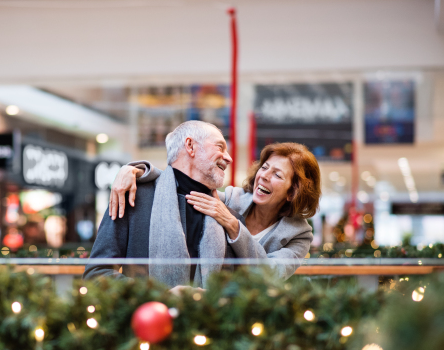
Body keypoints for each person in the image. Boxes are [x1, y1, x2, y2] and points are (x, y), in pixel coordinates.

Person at [110, 142, 322, 279]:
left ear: (292, 192)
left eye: (277, 175)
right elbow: (185, 186)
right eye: (264, 168)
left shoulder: (299, 234)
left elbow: (269, 274)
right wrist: (136, 170)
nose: (264, 176)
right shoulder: (232, 198)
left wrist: (232, 225)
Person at [84, 120, 241, 292]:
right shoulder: (134, 197)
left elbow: (244, 287)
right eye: (220, 147)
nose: (229, 157)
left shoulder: (229, 218)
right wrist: (156, 296)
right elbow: (96, 275)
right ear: (190, 146)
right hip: (143, 317)